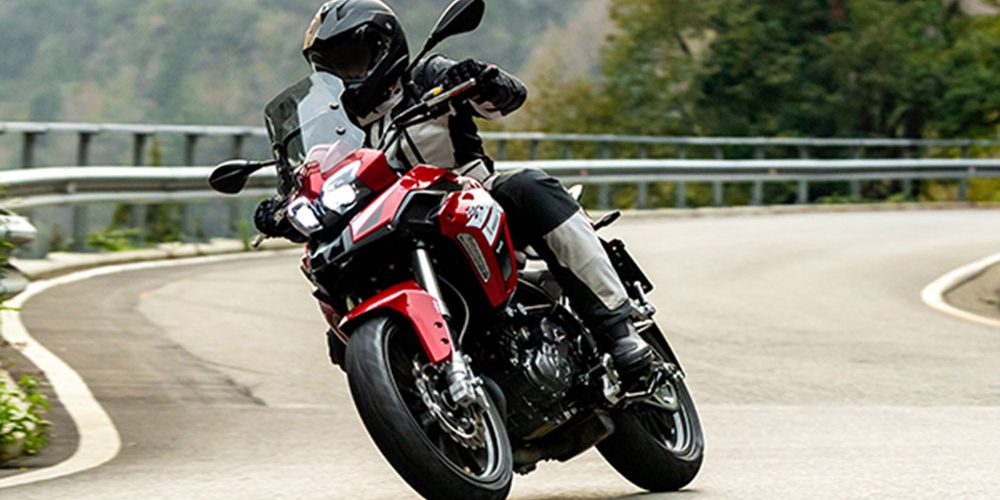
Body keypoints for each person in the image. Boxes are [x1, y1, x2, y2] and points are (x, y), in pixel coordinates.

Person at [261, 0, 653, 376]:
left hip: (471, 195)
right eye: (335, 66)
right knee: (341, 330)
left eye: (353, 58)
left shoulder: (426, 77)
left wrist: (482, 80)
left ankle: (616, 329)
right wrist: (285, 207)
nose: (348, 74)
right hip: (389, 227)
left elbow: (510, 97)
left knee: (530, 187)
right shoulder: (338, 126)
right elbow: (319, 177)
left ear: (384, 48)